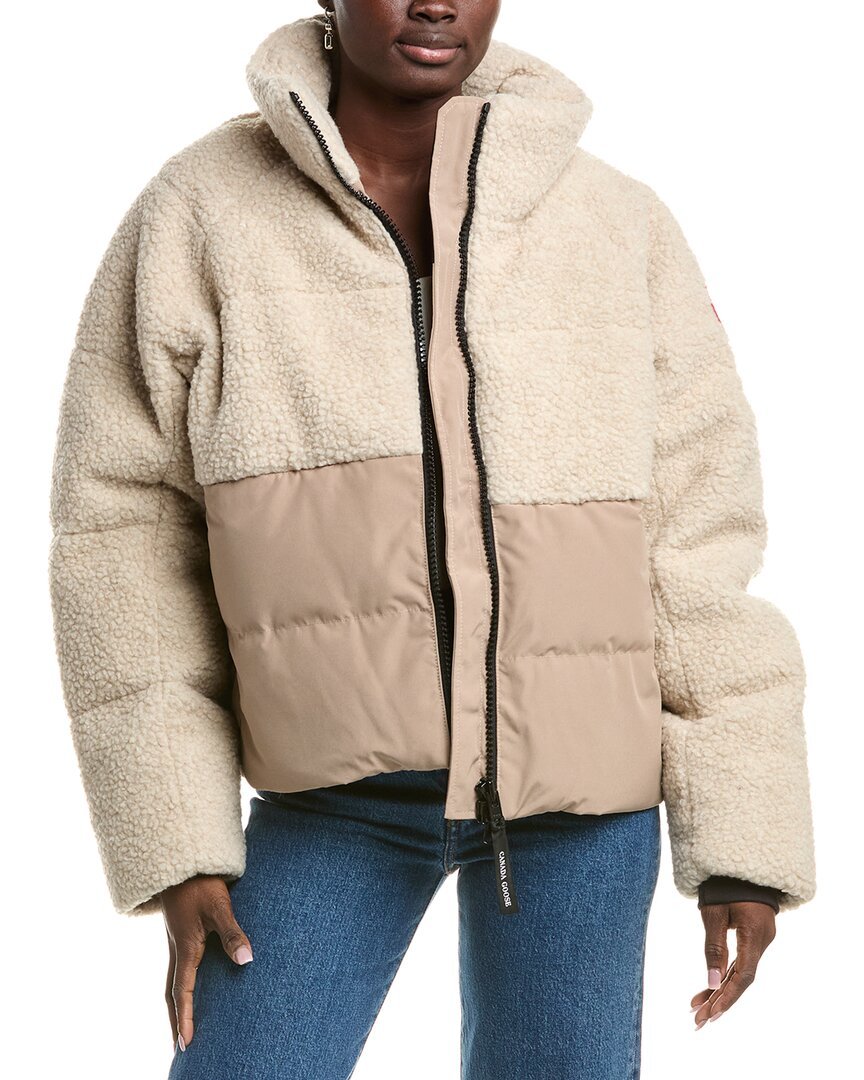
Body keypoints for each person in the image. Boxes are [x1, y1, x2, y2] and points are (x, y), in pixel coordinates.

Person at [48, 4, 817, 1077]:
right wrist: (175, 836)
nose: (436, 2)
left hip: (583, 809)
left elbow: (700, 538)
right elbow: (121, 533)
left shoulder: (615, 224)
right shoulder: (202, 213)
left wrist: (740, 840)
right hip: (330, 803)